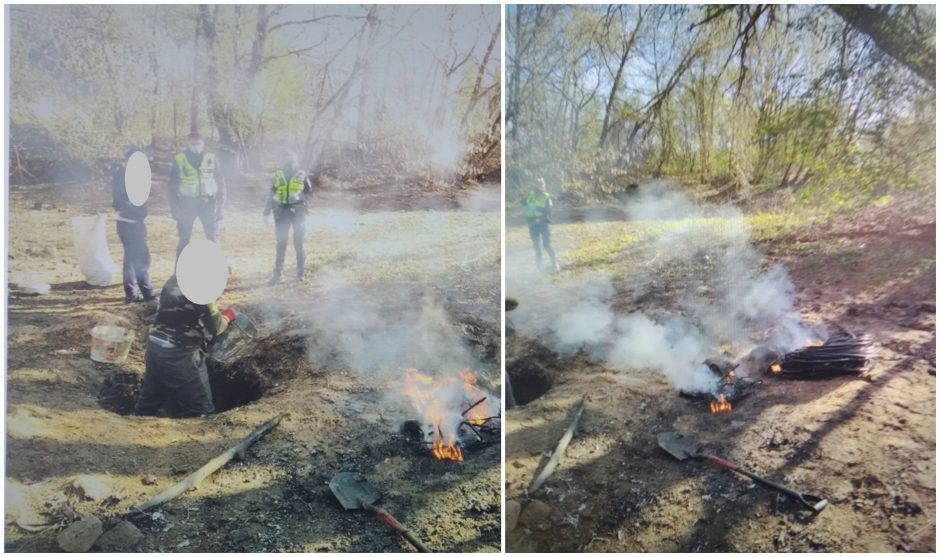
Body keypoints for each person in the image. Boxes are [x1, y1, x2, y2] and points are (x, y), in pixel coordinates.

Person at [134, 274, 235, 417]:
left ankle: (138, 422)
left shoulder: (173, 279)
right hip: (180, 353)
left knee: (150, 399)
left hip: (155, 344)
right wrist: (228, 316)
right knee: (202, 409)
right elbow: (216, 327)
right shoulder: (204, 289)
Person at [169, 133, 226, 258]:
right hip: (186, 204)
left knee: (212, 238)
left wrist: (221, 207)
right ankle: (179, 273)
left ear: (203, 144)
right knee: (184, 239)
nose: (196, 146)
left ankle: (217, 271)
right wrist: (174, 208)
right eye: (193, 144)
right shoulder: (180, 159)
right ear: (187, 144)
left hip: (208, 203)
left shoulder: (211, 158)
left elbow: (221, 183)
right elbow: (172, 186)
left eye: (198, 143)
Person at [112, 146, 156, 303]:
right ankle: (146, 293)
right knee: (138, 259)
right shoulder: (122, 176)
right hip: (129, 224)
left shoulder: (133, 175)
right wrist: (129, 206)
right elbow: (118, 201)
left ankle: (132, 294)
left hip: (133, 223)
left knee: (132, 258)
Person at [264, 152, 313, 284]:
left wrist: (302, 200)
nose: (290, 160)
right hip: (281, 212)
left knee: (299, 243)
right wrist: (266, 213)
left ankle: (300, 273)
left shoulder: (302, 175)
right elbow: (271, 194)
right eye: (287, 157)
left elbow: (310, 194)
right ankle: (278, 274)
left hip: (298, 212)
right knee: (281, 243)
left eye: (293, 157)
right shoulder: (277, 175)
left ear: (296, 159)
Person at [522, 177, 559, 272]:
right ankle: (538, 268)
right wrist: (525, 206)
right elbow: (524, 209)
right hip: (532, 224)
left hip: (544, 223)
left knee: (546, 244)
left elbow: (549, 211)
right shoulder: (529, 197)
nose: (538, 187)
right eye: (536, 185)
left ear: (543, 186)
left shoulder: (546, 196)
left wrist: (535, 208)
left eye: (540, 185)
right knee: (537, 247)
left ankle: (554, 263)